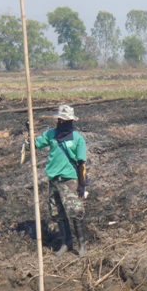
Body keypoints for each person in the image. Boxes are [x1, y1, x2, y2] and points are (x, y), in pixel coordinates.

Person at [32, 104, 88, 256]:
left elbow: (82, 164)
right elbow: (34, 144)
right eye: (60, 120)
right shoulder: (51, 134)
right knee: (57, 213)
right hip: (54, 179)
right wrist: (29, 133)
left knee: (75, 211)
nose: (62, 122)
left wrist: (82, 185)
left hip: (69, 179)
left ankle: (82, 246)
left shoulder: (77, 138)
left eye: (65, 120)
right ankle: (66, 244)